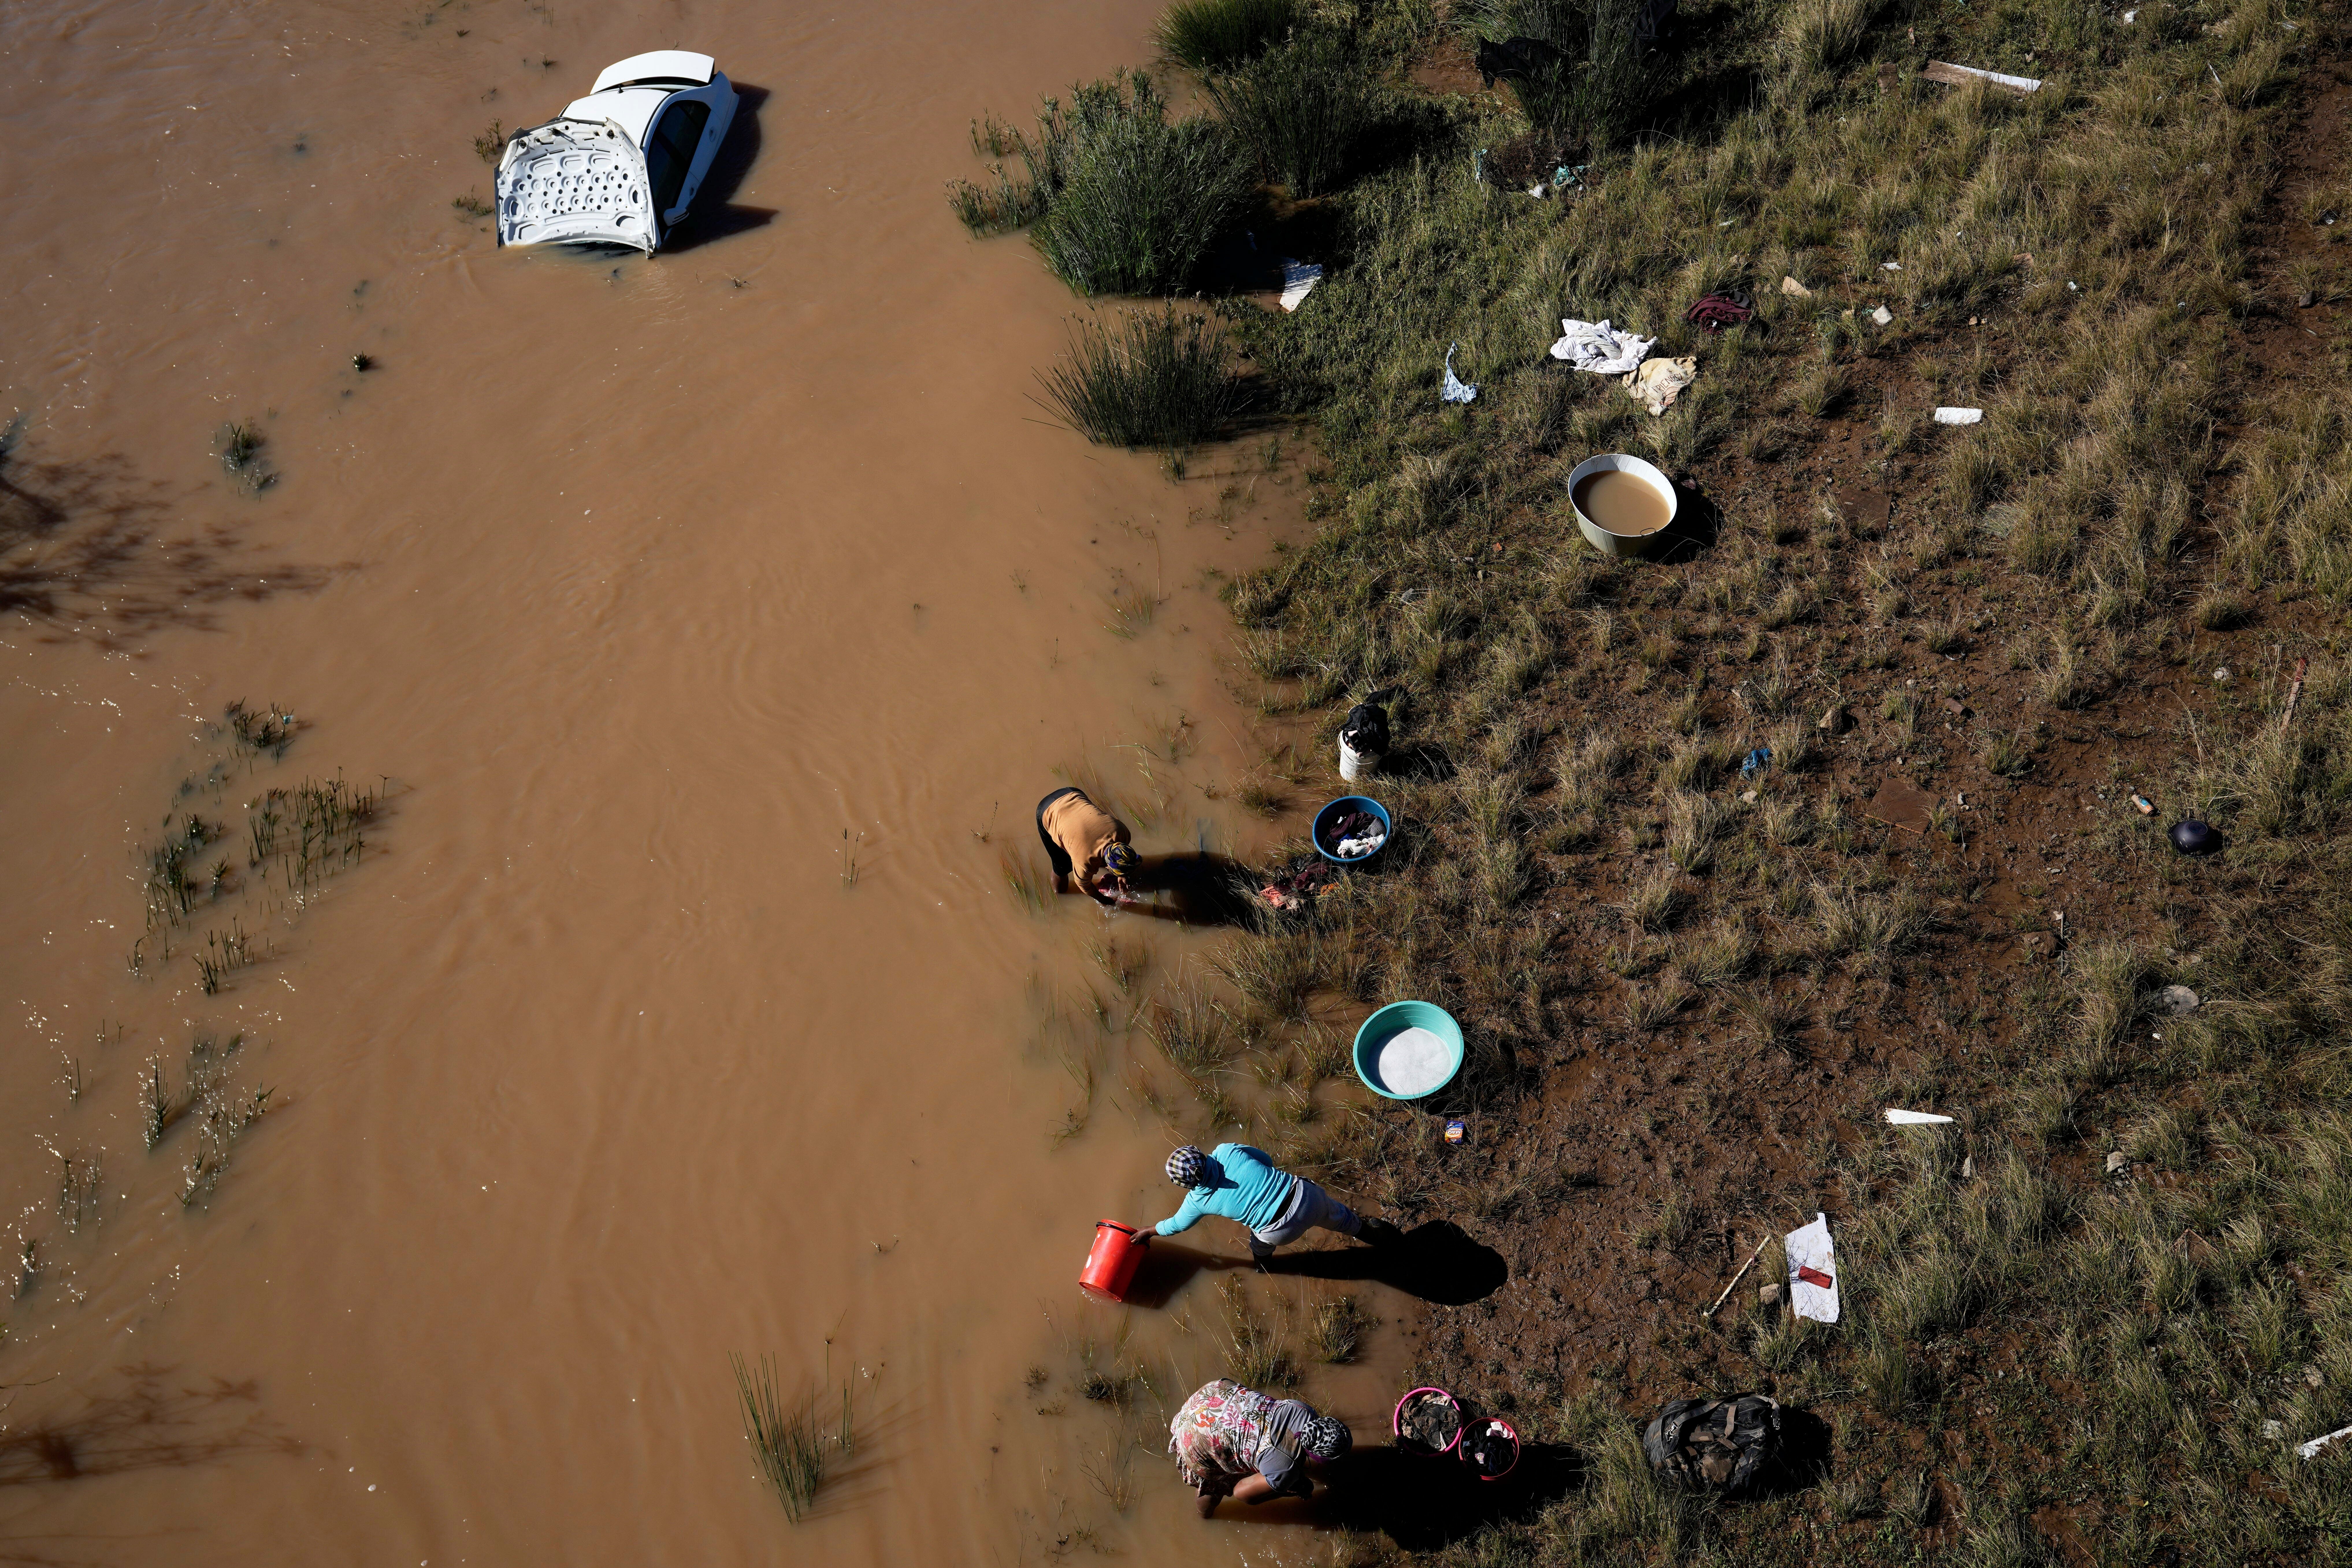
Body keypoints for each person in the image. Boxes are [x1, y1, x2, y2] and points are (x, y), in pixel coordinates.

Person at [1152, 1144, 1401, 1264]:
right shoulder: (1226, 1151)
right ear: (1201, 1154)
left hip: (1279, 1231)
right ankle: (1383, 1238)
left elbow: (1176, 1226)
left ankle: (1264, 1268)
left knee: (1259, 1246)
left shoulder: (1197, 1201)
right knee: (1346, 1221)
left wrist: (1149, 1231)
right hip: (1306, 1196)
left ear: (1182, 1184)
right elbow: (1266, 1160)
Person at [1168, 1378, 1351, 1517]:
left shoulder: (1303, 1410)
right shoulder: (1286, 1470)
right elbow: (1243, 1494)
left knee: (1257, 1461)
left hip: (1216, 1394)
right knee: (1212, 1487)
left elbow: (1285, 1440)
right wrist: (1288, 1489)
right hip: (1198, 1437)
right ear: (1318, 1457)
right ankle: (1204, 1520)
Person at [1035, 786, 1139, 908]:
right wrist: (1107, 901)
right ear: (1107, 866)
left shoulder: (1123, 833)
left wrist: (1123, 875)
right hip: (1047, 811)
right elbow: (1086, 887)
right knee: (1062, 867)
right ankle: (1061, 897)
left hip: (1072, 793)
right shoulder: (1084, 862)